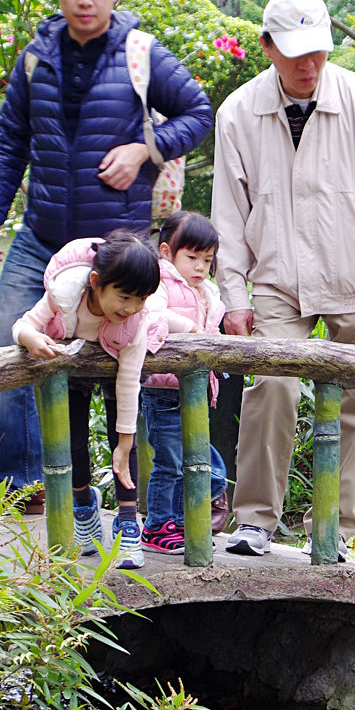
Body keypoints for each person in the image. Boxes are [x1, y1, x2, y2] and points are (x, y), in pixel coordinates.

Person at [0, 0, 212, 504]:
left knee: (120, 364)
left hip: (114, 245)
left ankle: (132, 496)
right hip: (41, 237)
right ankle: (26, 484)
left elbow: (199, 112)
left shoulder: (141, 51)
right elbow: (9, 141)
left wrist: (145, 150)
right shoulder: (36, 59)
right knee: (2, 349)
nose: (85, 0)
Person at [211, 0, 355, 559]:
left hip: (354, 277)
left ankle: (335, 528)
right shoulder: (237, 114)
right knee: (272, 387)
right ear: (267, 46)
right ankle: (253, 519)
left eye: (319, 51)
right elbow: (229, 212)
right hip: (276, 278)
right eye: (295, 52)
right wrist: (233, 295)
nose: (309, 66)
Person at [12, 230, 165, 566]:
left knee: (124, 445)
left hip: (117, 365)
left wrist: (125, 441)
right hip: (72, 366)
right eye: (125, 297)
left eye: (142, 299)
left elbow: (128, 381)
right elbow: (24, 324)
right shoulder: (65, 293)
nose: (133, 307)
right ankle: (84, 508)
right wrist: (31, 338)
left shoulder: (134, 322)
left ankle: (127, 522)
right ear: (96, 281)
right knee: (74, 442)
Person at [140, 210, 231, 553]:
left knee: (201, 464)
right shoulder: (158, 283)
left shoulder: (204, 290)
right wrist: (192, 330)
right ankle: (158, 525)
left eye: (206, 260)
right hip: (163, 391)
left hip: (193, 392)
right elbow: (153, 315)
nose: (199, 267)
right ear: (166, 252)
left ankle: (179, 521)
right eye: (191, 257)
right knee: (170, 463)